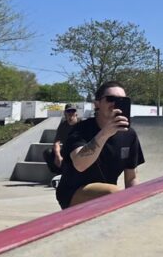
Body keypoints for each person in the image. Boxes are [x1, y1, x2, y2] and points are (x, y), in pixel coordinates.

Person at [55, 81, 145, 209]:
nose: (115, 104)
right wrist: (105, 133)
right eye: (110, 99)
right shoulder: (80, 129)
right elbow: (80, 164)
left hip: (106, 192)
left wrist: (138, 201)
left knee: (127, 195)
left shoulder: (129, 134)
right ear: (97, 104)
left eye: (122, 100)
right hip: (74, 191)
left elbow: (131, 177)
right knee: (113, 193)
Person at [42, 103, 80, 175]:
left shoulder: (82, 124)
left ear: (76, 114)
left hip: (78, 152)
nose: (71, 114)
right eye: (68, 112)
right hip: (66, 151)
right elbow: (57, 142)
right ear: (65, 113)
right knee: (48, 152)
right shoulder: (63, 125)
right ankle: (59, 175)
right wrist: (58, 155)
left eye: (73, 112)